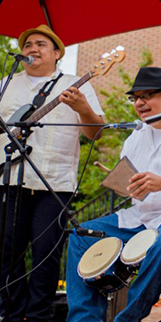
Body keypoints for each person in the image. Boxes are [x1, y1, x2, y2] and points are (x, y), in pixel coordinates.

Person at [66, 67, 161, 321]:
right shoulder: (134, 137)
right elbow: (135, 188)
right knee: (81, 235)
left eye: (147, 95)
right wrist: (126, 184)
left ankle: (127, 318)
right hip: (139, 217)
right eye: (135, 98)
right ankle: (83, 319)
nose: (140, 103)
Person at [0, 24, 104, 322]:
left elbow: (95, 133)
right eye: (28, 44)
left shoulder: (76, 84)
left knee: (46, 253)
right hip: (8, 179)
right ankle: (10, 314)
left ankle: (38, 317)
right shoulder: (6, 84)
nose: (32, 48)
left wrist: (83, 107)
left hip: (54, 183)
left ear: (57, 53)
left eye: (41, 44)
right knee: (7, 252)